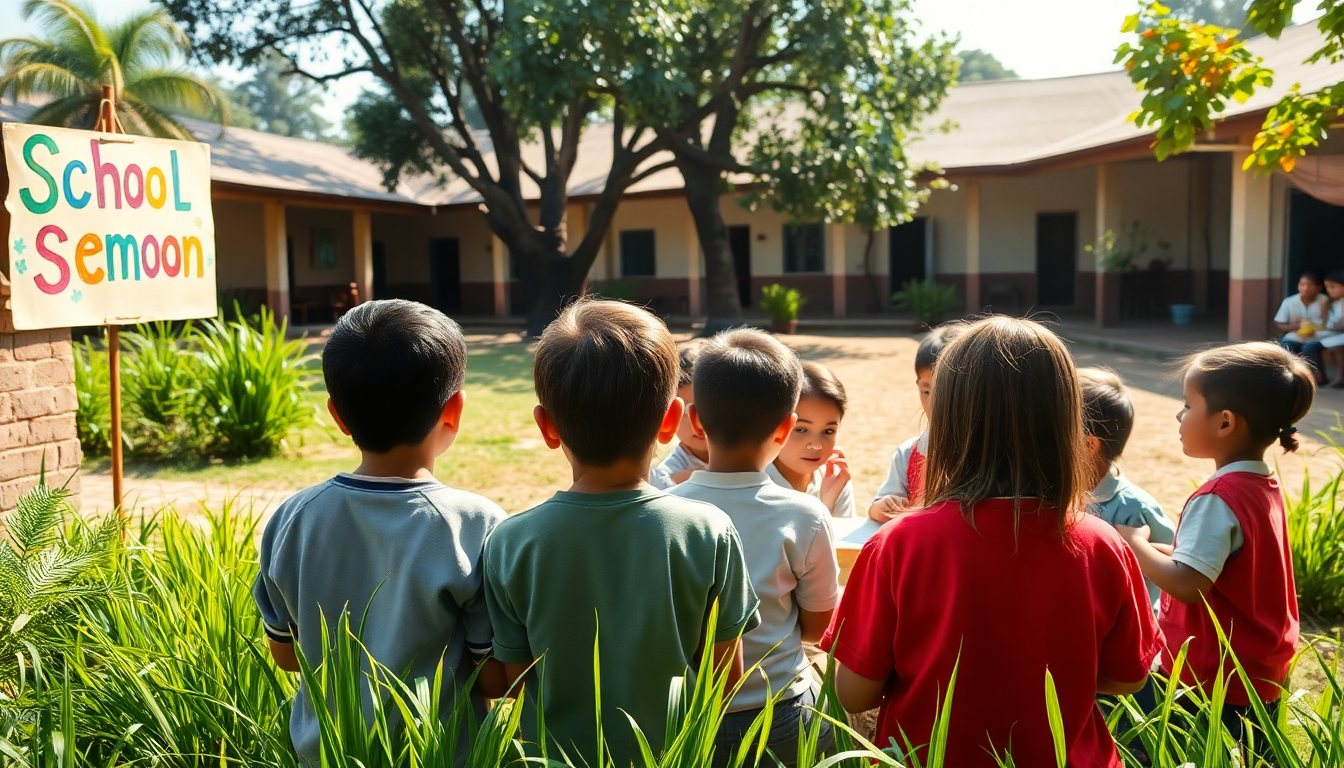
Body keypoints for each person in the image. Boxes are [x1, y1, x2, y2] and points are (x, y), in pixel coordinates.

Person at [820, 316, 1160, 768]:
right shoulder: (1103, 545)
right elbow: (1128, 677)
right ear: (1065, 421)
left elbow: (854, 690)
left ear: (947, 419)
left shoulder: (899, 542)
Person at [481, 300, 760, 767]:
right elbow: (725, 679)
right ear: (671, 420)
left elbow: (515, 678)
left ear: (547, 426)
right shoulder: (708, 531)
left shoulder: (511, 542)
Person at [253, 300, 508, 765]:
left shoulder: (293, 518)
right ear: (454, 409)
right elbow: (491, 677)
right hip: (440, 755)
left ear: (338, 415)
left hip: (327, 754)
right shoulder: (474, 524)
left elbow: (288, 656)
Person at [1116, 342, 1311, 749]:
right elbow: (1223, 568)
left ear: (1224, 423)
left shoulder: (1218, 496)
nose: (1178, 414)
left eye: (1187, 404)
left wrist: (1134, 545)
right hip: (1257, 668)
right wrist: (1169, 553)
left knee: (1167, 750)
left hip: (1210, 678)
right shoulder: (1260, 484)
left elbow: (1189, 584)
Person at [670, 329, 840, 767]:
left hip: (684, 718)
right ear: (786, 427)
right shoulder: (805, 514)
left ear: (697, 419)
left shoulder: (664, 509)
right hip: (781, 711)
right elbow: (818, 625)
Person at [1078, 367, 1175, 615]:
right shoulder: (1046, 495)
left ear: (1089, 445)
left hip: (1127, 633)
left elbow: (1179, 565)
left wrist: (1138, 546)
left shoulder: (1135, 509)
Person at [869, 323, 968, 522]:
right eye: (926, 391)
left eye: (948, 392)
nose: (934, 403)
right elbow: (878, 507)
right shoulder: (910, 454)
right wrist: (884, 506)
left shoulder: (990, 452)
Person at [767, 361, 855, 517]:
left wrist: (829, 501)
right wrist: (824, 507)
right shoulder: (753, 484)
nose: (816, 445)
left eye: (828, 431)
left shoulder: (834, 480)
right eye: (801, 429)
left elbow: (844, 541)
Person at [650, 338, 710, 488]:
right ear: (670, 414)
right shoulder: (665, 477)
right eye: (686, 411)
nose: (697, 421)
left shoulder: (751, 460)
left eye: (707, 408)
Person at [1274, 271, 1329, 369]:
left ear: (1319, 288)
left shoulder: (1324, 300)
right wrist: (1294, 326)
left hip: (1317, 336)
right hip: (1295, 335)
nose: (1305, 288)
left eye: (1310, 285)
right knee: (1286, 345)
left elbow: (1327, 322)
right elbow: (1279, 324)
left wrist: (1311, 324)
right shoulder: (1289, 301)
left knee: (1309, 348)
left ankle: (1315, 375)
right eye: (1302, 284)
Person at [1303, 270, 1344, 388]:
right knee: (1309, 346)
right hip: (1332, 335)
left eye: (1333, 287)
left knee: (1337, 347)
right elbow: (1324, 320)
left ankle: (1341, 377)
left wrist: (1331, 328)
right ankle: (1319, 375)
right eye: (1328, 287)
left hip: (1339, 335)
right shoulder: (1330, 303)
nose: (1330, 290)